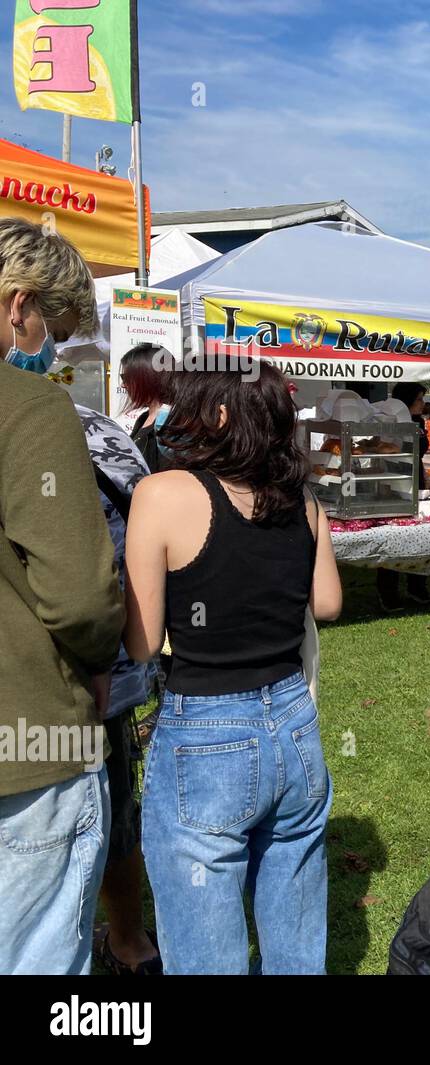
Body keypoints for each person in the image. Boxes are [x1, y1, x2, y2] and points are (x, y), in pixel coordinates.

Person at [123, 366, 343, 974]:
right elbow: (327, 603)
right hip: (295, 721)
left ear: (217, 417)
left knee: (203, 938)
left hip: (206, 730)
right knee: (296, 917)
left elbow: (142, 642)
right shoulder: (303, 501)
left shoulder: (162, 494)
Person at [0, 217, 122, 975]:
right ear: (19, 304)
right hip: (31, 746)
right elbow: (80, 595)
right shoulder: (32, 411)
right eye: (55, 328)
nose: (51, 351)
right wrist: (104, 651)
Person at [71, 405, 164, 975]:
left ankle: (125, 940)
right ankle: (130, 941)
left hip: (89, 668)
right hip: (107, 666)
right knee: (110, 804)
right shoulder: (89, 424)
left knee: (104, 806)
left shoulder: (79, 425)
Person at [377, 381, 430, 611]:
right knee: (394, 535)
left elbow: (421, 450)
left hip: (416, 479)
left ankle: (417, 586)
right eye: (419, 399)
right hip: (395, 479)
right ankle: (388, 590)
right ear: (406, 400)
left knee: (418, 534)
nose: (422, 404)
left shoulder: (419, 422)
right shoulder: (389, 422)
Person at [120, 342, 173, 473]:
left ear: (146, 378)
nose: (123, 385)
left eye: (125, 378)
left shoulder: (171, 422)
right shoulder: (143, 418)